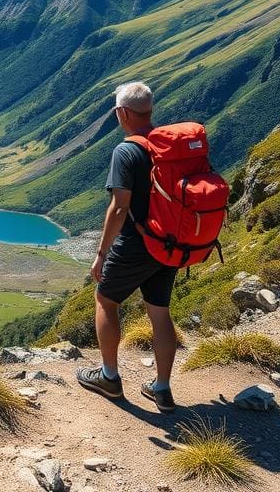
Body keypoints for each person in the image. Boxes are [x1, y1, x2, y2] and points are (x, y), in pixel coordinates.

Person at [75, 82, 178, 413]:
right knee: (159, 311)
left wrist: (101, 254)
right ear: (149, 111)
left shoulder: (127, 150)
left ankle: (109, 377)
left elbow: (120, 207)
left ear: (122, 113)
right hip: (170, 243)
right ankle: (161, 389)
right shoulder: (168, 146)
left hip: (137, 243)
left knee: (105, 300)